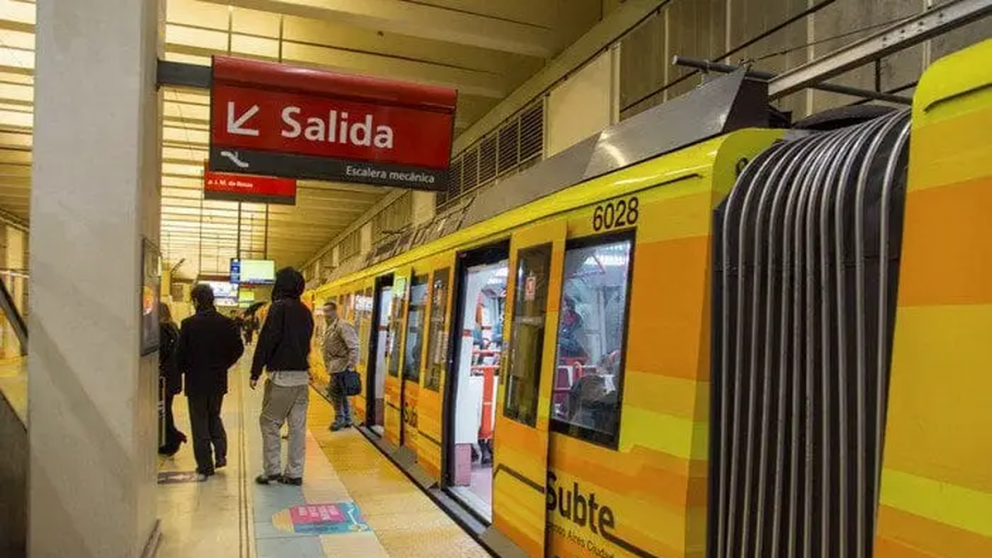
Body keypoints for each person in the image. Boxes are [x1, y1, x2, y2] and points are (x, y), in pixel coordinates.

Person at [251, 268, 315, 486]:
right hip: (302, 378)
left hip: (282, 378)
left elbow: (267, 340)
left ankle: (272, 471)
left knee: (269, 422)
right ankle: (295, 473)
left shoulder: (278, 308)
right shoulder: (306, 312)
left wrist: (255, 371)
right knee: (297, 427)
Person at [177, 285, 245, 480]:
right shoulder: (226, 323)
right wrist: (224, 364)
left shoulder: (188, 324)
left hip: (196, 380)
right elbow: (238, 348)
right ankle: (221, 454)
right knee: (214, 415)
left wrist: (183, 369)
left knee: (199, 421)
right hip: (217, 380)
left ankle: (205, 465)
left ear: (196, 301)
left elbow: (180, 354)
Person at [321, 300, 360, 431]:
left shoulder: (343, 326)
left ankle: (340, 419)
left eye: (328, 311)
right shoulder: (330, 326)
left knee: (333, 391)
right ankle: (347, 419)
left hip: (341, 366)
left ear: (334, 311)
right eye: (324, 311)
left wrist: (350, 366)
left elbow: (354, 346)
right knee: (340, 392)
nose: (325, 314)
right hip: (334, 366)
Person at [158, 302, 186, 456]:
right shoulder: (174, 327)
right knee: (166, 408)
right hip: (173, 376)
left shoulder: (162, 329)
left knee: (163, 410)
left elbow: (161, 352)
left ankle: (173, 438)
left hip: (164, 377)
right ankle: (170, 438)